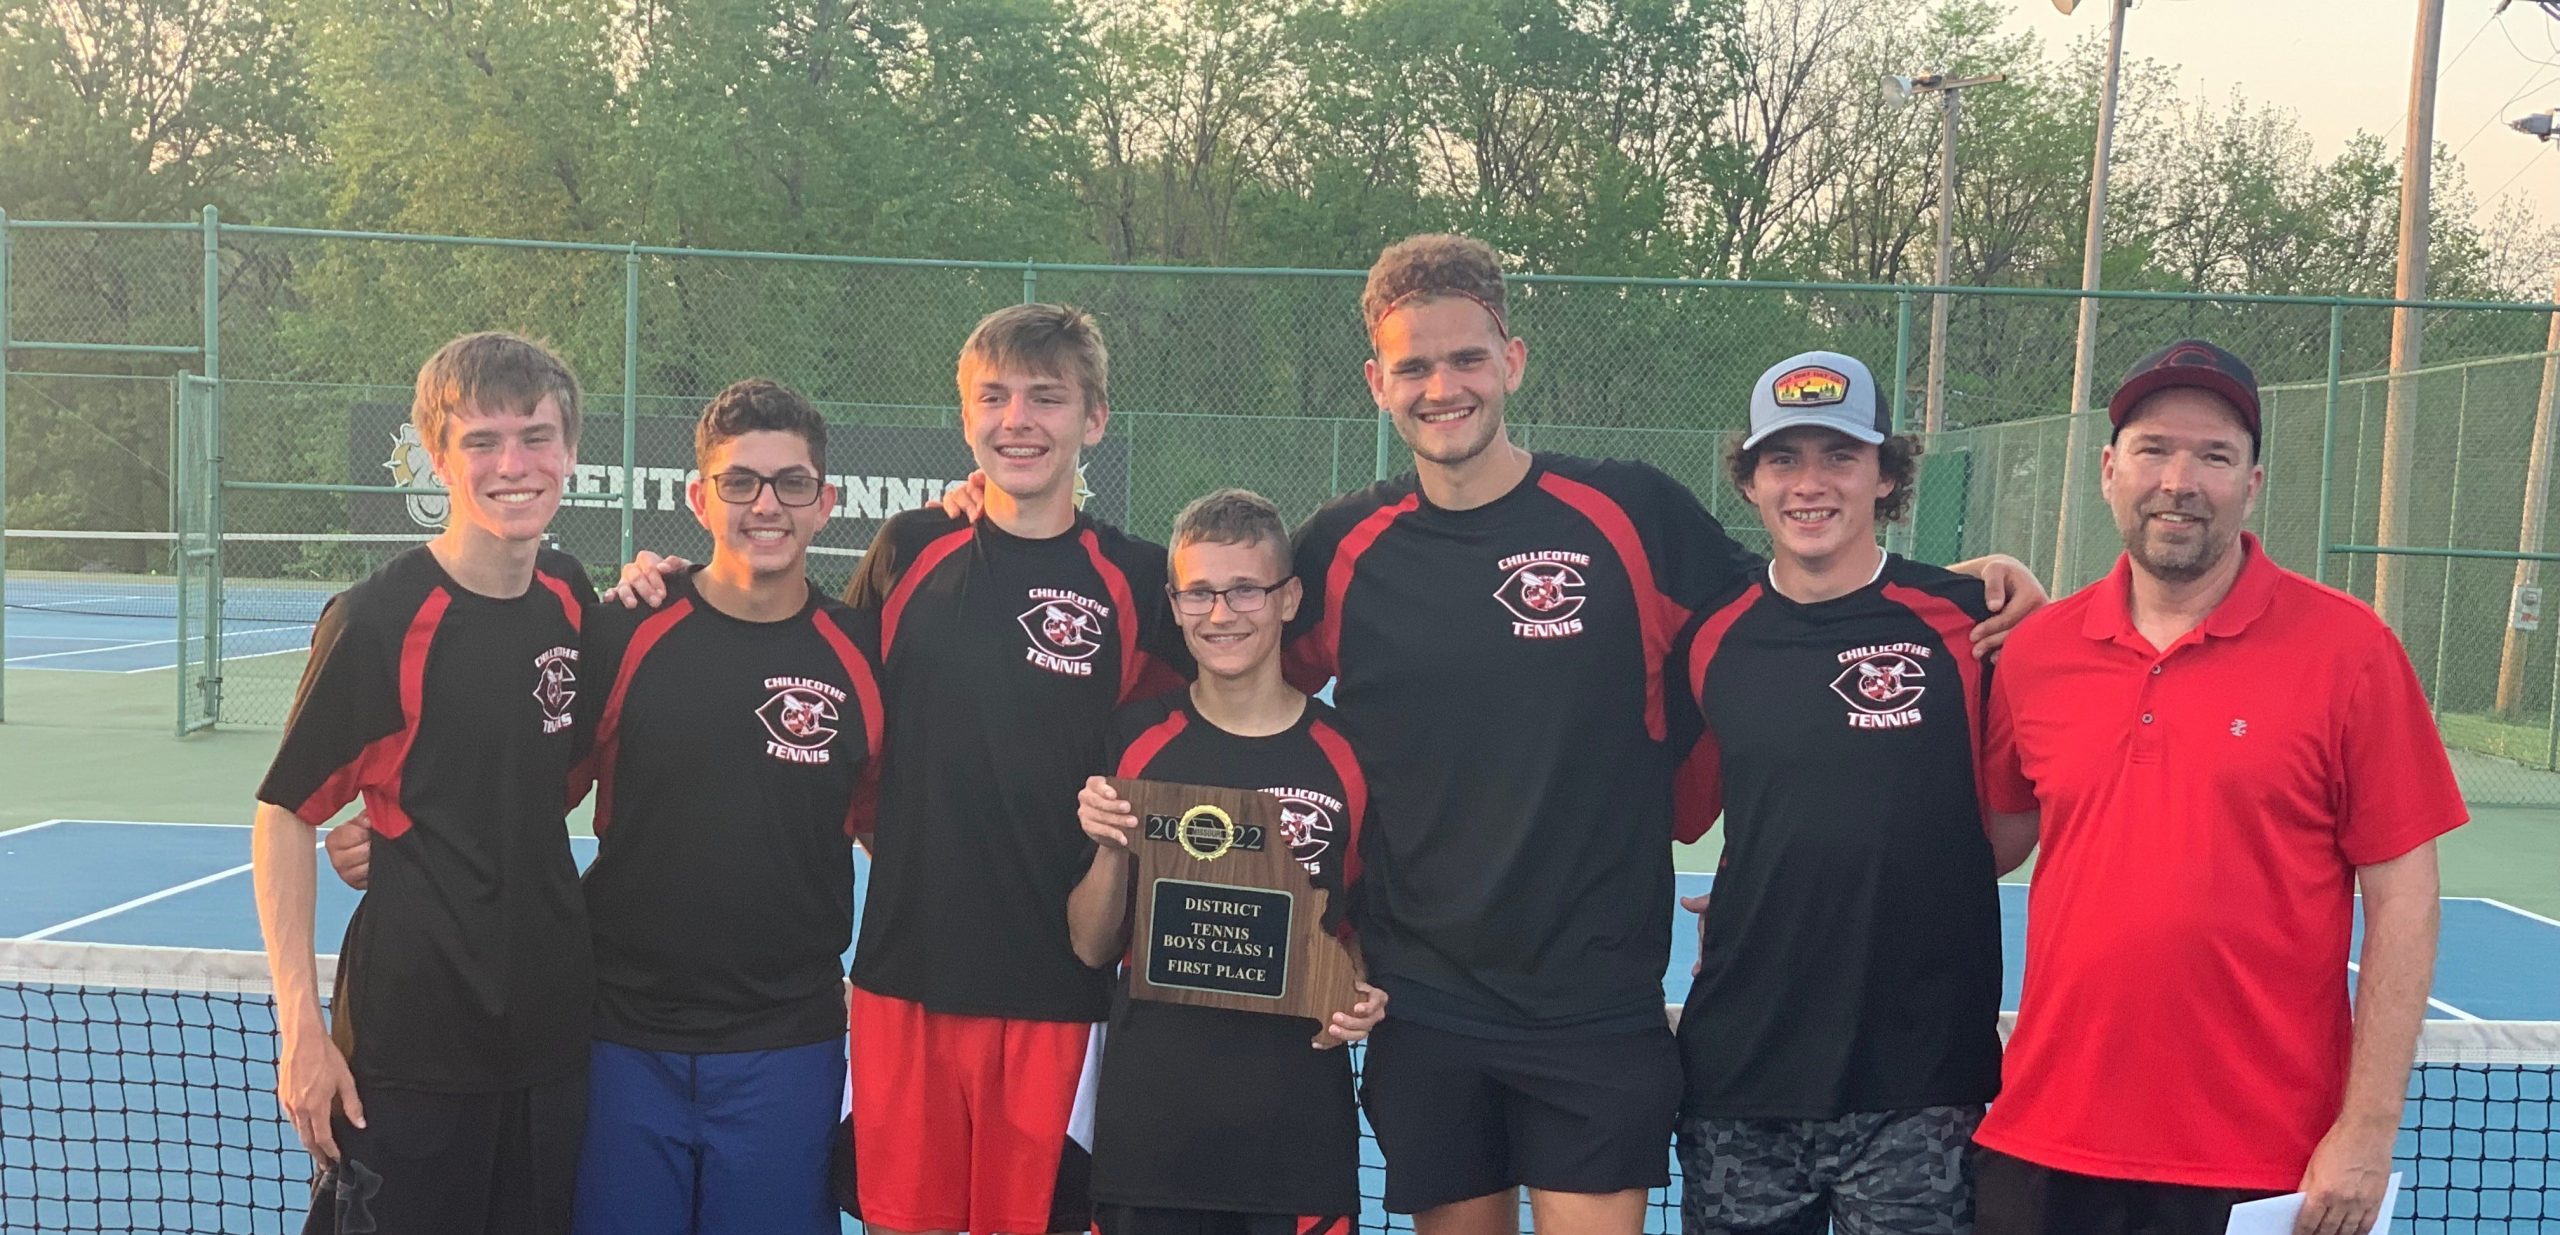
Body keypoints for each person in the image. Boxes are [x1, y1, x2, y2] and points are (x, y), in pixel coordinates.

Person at [329, 379, 887, 1234]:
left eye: (792, 483)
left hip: (788, 1046)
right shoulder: (622, 631)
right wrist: (402, 833)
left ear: (828, 502)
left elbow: (891, 830)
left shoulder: (861, 660)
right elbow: (526, 784)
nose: (765, 504)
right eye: (739, 482)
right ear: (700, 498)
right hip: (617, 1040)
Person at [1972, 339, 2466, 1235]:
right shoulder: (2037, 653)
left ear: (2253, 481)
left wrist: (2367, 1128)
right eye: (2156, 449)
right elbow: (1985, 844)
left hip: (2266, 1161)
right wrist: (1793, 872)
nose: (2180, 480)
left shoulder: (2350, 652)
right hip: (2042, 1142)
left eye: (2214, 455)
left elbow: (2405, 899)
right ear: (2110, 469)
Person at [1668, 350, 2037, 1235]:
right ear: (1750, 482)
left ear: (1887, 476)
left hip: (1921, 1081)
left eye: (1840, 457)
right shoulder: (1711, 636)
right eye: (1783, 459)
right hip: (1742, 1079)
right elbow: (1682, 812)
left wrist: (1893, 884)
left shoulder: (1969, 622)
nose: (1810, 484)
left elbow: (2011, 825)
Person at [252, 331, 597, 1235]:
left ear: (569, 451)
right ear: (438, 458)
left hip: (552, 1041)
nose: (512, 464)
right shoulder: (377, 620)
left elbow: (550, 769)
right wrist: (302, 1028)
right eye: (481, 441)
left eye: (535, 436)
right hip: (409, 1053)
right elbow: (286, 813)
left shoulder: (571, 594)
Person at [1067, 488, 1389, 1235]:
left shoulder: (1350, 754)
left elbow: (1364, 924)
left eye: (1246, 588)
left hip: (1295, 1141)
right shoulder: (1135, 738)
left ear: (1288, 598)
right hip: (1153, 1144)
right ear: (1175, 604)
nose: (1221, 614)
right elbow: (1088, 943)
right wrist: (1114, 846)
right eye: (1200, 592)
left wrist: (1364, 988)